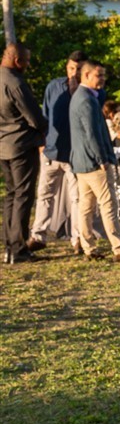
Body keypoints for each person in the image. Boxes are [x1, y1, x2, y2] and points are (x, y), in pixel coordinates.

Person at [69, 61, 120, 262]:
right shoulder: (86, 100)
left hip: (82, 162)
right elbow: (92, 134)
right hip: (94, 162)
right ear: (85, 75)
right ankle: (119, 249)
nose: (102, 79)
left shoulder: (79, 97)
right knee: (108, 204)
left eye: (103, 75)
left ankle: (88, 248)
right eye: (98, 75)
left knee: (86, 206)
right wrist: (102, 158)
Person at [30, 50, 88, 252]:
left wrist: (75, 90)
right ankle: (38, 235)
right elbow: (44, 115)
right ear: (66, 67)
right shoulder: (53, 86)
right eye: (72, 68)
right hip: (51, 150)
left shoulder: (87, 91)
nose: (74, 73)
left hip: (75, 153)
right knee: (44, 194)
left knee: (77, 198)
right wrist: (42, 144)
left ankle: (78, 239)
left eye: (79, 69)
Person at [1, 43, 47, 264]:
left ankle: (9, 246)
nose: (28, 65)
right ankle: (18, 249)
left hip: (3, 146)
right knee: (23, 196)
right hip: (21, 145)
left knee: (11, 195)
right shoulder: (15, 82)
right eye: (27, 61)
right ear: (17, 60)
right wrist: (44, 130)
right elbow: (34, 116)